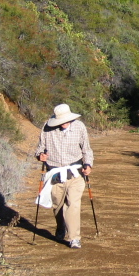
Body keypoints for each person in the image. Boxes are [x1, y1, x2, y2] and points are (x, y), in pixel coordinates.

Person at [34, 103, 93, 249]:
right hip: (54, 174)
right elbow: (39, 149)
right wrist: (40, 156)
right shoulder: (47, 128)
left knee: (73, 204)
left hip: (75, 173)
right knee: (57, 206)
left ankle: (74, 238)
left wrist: (88, 165)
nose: (65, 123)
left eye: (67, 120)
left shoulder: (79, 127)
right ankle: (61, 227)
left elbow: (87, 149)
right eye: (61, 120)